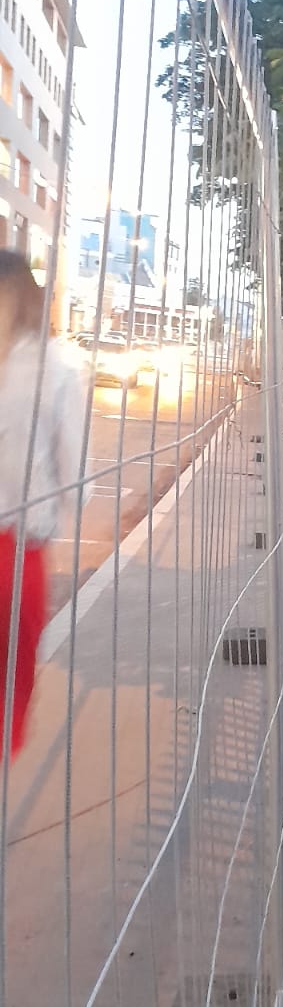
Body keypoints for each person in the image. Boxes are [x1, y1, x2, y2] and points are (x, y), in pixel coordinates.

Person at [0, 251, 88, 758]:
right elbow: (77, 475)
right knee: (11, 671)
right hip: (18, 549)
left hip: (17, 544)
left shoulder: (51, 367)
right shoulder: (55, 368)